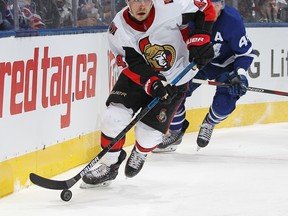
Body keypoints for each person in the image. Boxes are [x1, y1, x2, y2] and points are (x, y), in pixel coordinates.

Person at [80, 0, 216, 188]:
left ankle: (141, 151)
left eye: (146, 0)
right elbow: (132, 63)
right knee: (113, 118)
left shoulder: (171, 5)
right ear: (127, 1)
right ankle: (109, 165)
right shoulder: (118, 28)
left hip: (175, 77)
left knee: (147, 136)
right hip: (138, 78)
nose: (142, 5)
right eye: (136, 0)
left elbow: (205, 8)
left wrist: (200, 40)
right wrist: (152, 82)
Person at [152, 0, 254, 153]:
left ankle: (209, 123)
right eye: (209, 3)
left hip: (227, 64)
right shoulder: (190, 15)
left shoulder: (232, 20)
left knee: (224, 103)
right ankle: (175, 132)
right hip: (198, 63)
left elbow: (244, 52)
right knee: (175, 94)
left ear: (222, 4)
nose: (213, 8)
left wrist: (240, 74)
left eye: (217, 4)